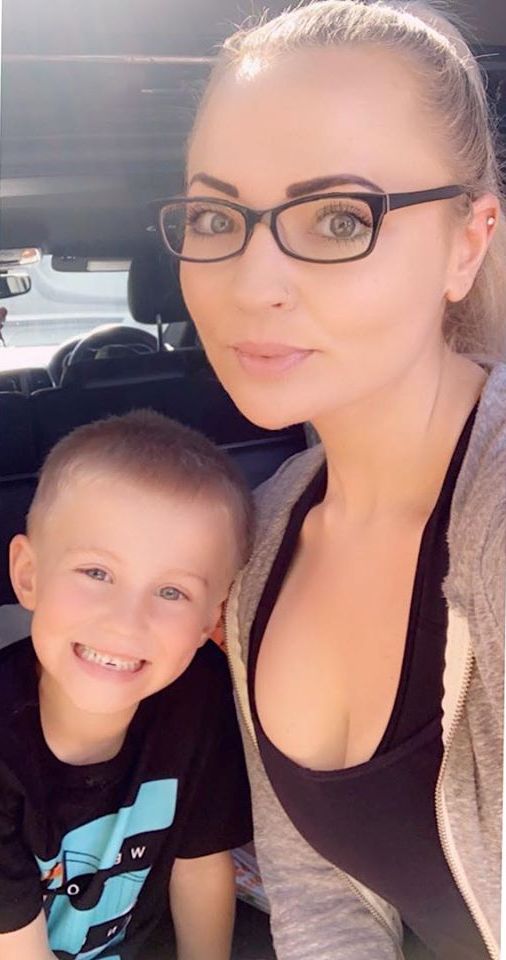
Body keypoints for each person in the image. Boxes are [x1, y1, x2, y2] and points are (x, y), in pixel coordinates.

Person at [157, 2, 506, 958]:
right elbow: (317, 891)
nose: (251, 283)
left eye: (341, 218)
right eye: (216, 217)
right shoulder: (265, 531)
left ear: (468, 243)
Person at [0, 409, 254, 960]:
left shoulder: (200, 699)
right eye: (97, 573)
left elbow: (199, 862)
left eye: (172, 592)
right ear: (28, 575)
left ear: (210, 620)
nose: (126, 623)